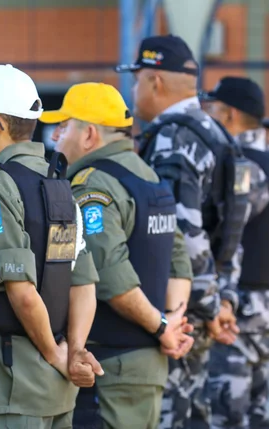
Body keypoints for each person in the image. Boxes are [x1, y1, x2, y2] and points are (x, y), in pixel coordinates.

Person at [0, 64, 102, 429]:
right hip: (57, 393)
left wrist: (54, 355)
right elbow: (84, 282)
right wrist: (73, 351)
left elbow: (21, 289)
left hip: (8, 388)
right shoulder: (59, 184)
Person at [40, 82, 194, 429]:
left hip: (110, 367)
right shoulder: (149, 178)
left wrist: (164, 326)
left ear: (90, 134)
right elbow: (180, 260)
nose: (56, 137)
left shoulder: (93, 184)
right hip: (145, 365)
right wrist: (172, 318)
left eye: (63, 126)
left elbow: (111, 275)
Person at [116, 34, 240, 429]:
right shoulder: (215, 131)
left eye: (136, 80)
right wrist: (223, 301)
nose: (133, 91)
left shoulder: (172, 139)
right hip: (205, 303)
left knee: (172, 417)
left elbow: (179, 231)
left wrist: (198, 306)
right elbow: (231, 228)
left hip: (179, 310)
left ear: (155, 81)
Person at [203, 76, 269, 429]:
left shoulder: (237, 167)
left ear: (228, 115)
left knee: (224, 415)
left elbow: (217, 232)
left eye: (211, 111)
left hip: (236, 311)